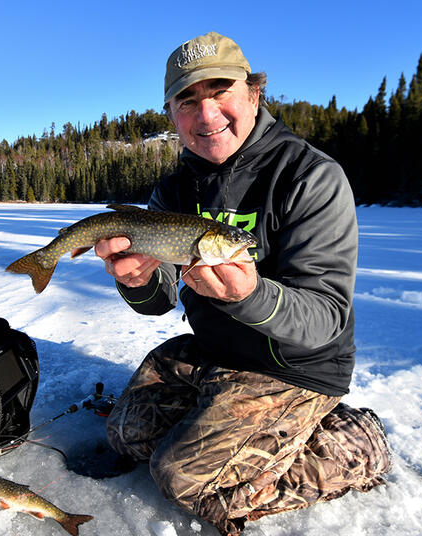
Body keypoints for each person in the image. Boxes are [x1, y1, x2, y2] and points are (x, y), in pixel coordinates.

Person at [94, 31, 391, 535]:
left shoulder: (309, 176)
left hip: (295, 366)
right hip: (217, 351)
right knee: (125, 433)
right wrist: (136, 281)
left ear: (254, 93)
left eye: (220, 92)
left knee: (180, 477)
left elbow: (325, 318)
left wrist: (250, 296)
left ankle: (354, 442)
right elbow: (160, 298)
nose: (207, 116)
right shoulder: (175, 189)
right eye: (188, 100)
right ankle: (228, 420)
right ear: (171, 115)